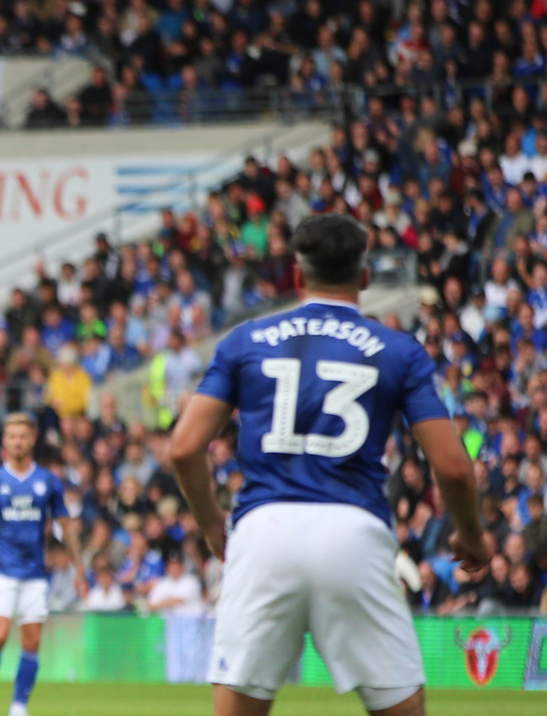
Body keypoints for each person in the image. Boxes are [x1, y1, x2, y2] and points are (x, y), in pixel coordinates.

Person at [170, 213, 491, 716]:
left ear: (297, 277)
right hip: (354, 532)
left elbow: (184, 448)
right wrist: (470, 534)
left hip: (262, 532)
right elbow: (452, 466)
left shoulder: (244, 341)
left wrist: (213, 524)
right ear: (364, 278)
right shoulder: (398, 350)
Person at [0, 412, 78, 716]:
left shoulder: (48, 481)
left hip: (36, 572)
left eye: (23, 436)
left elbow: (66, 523)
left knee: (32, 640)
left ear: (33, 439)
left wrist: (80, 568)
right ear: (5, 441)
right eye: (12, 436)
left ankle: (18, 706)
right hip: (1, 569)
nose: (18, 442)